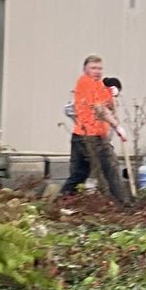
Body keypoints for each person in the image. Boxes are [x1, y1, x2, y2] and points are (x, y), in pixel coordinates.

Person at [59, 56, 132, 204]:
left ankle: (61, 201)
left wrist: (114, 93)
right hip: (92, 137)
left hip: (80, 135)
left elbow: (108, 105)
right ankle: (123, 203)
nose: (97, 71)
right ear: (85, 69)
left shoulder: (98, 85)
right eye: (93, 68)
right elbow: (100, 109)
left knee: (79, 174)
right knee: (111, 167)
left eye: (100, 68)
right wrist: (117, 126)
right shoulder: (85, 82)